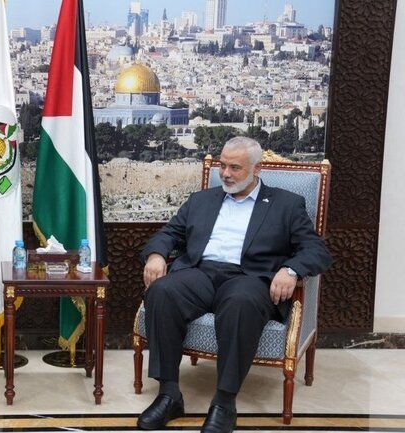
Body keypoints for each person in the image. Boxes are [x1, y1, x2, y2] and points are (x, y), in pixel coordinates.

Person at [136, 137, 332, 433]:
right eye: (222, 166)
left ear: (257, 169)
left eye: (235, 168)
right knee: (162, 291)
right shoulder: (201, 200)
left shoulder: (287, 204)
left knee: (240, 303)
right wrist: (156, 255)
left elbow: (316, 249)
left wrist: (290, 270)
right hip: (200, 273)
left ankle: (224, 403)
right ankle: (169, 394)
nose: (225, 174)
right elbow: (169, 234)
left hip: (249, 278)